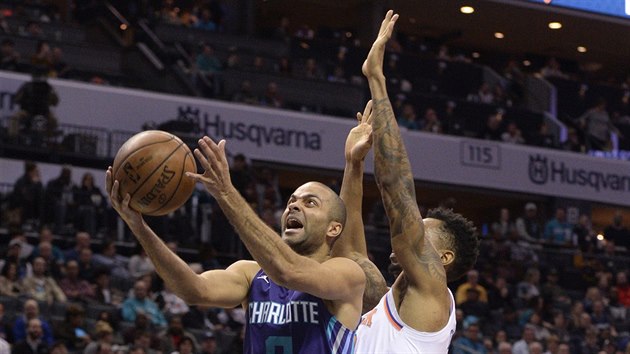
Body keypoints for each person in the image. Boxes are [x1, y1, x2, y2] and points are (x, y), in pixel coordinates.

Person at [105, 141, 365, 353]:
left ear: (334, 228)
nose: (294, 206)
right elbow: (194, 290)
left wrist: (227, 193)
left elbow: (288, 271)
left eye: (310, 203)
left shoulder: (346, 273)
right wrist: (138, 226)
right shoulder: (251, 275)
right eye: (291, 201)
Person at [333, 11, 479, 353]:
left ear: (443, 258)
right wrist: (353, 165)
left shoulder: (433, 293)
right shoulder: (383, 300)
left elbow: (395, 186)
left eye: (421, 229)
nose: (412, 227)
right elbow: (350, 253)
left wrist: (376, 79)